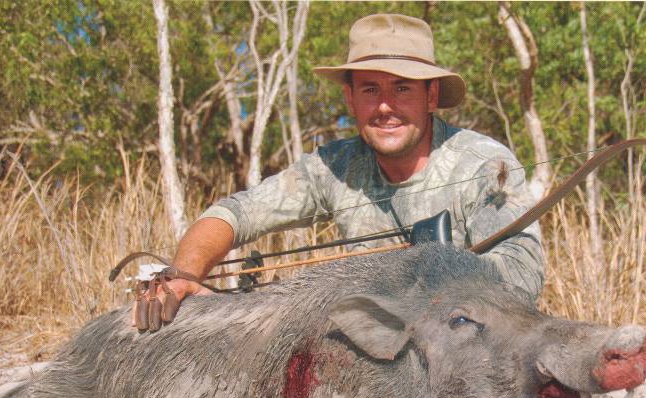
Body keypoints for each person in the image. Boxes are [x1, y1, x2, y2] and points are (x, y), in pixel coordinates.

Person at [132, 13, 544, 330]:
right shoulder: (335, 165)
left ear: (431, 95)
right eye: (370, 89)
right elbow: (235, 213)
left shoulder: (485, 164)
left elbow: (521, 279)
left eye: (402, 88)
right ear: (350, 98)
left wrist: (429, 269)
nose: (385, 106)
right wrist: (183, 276)